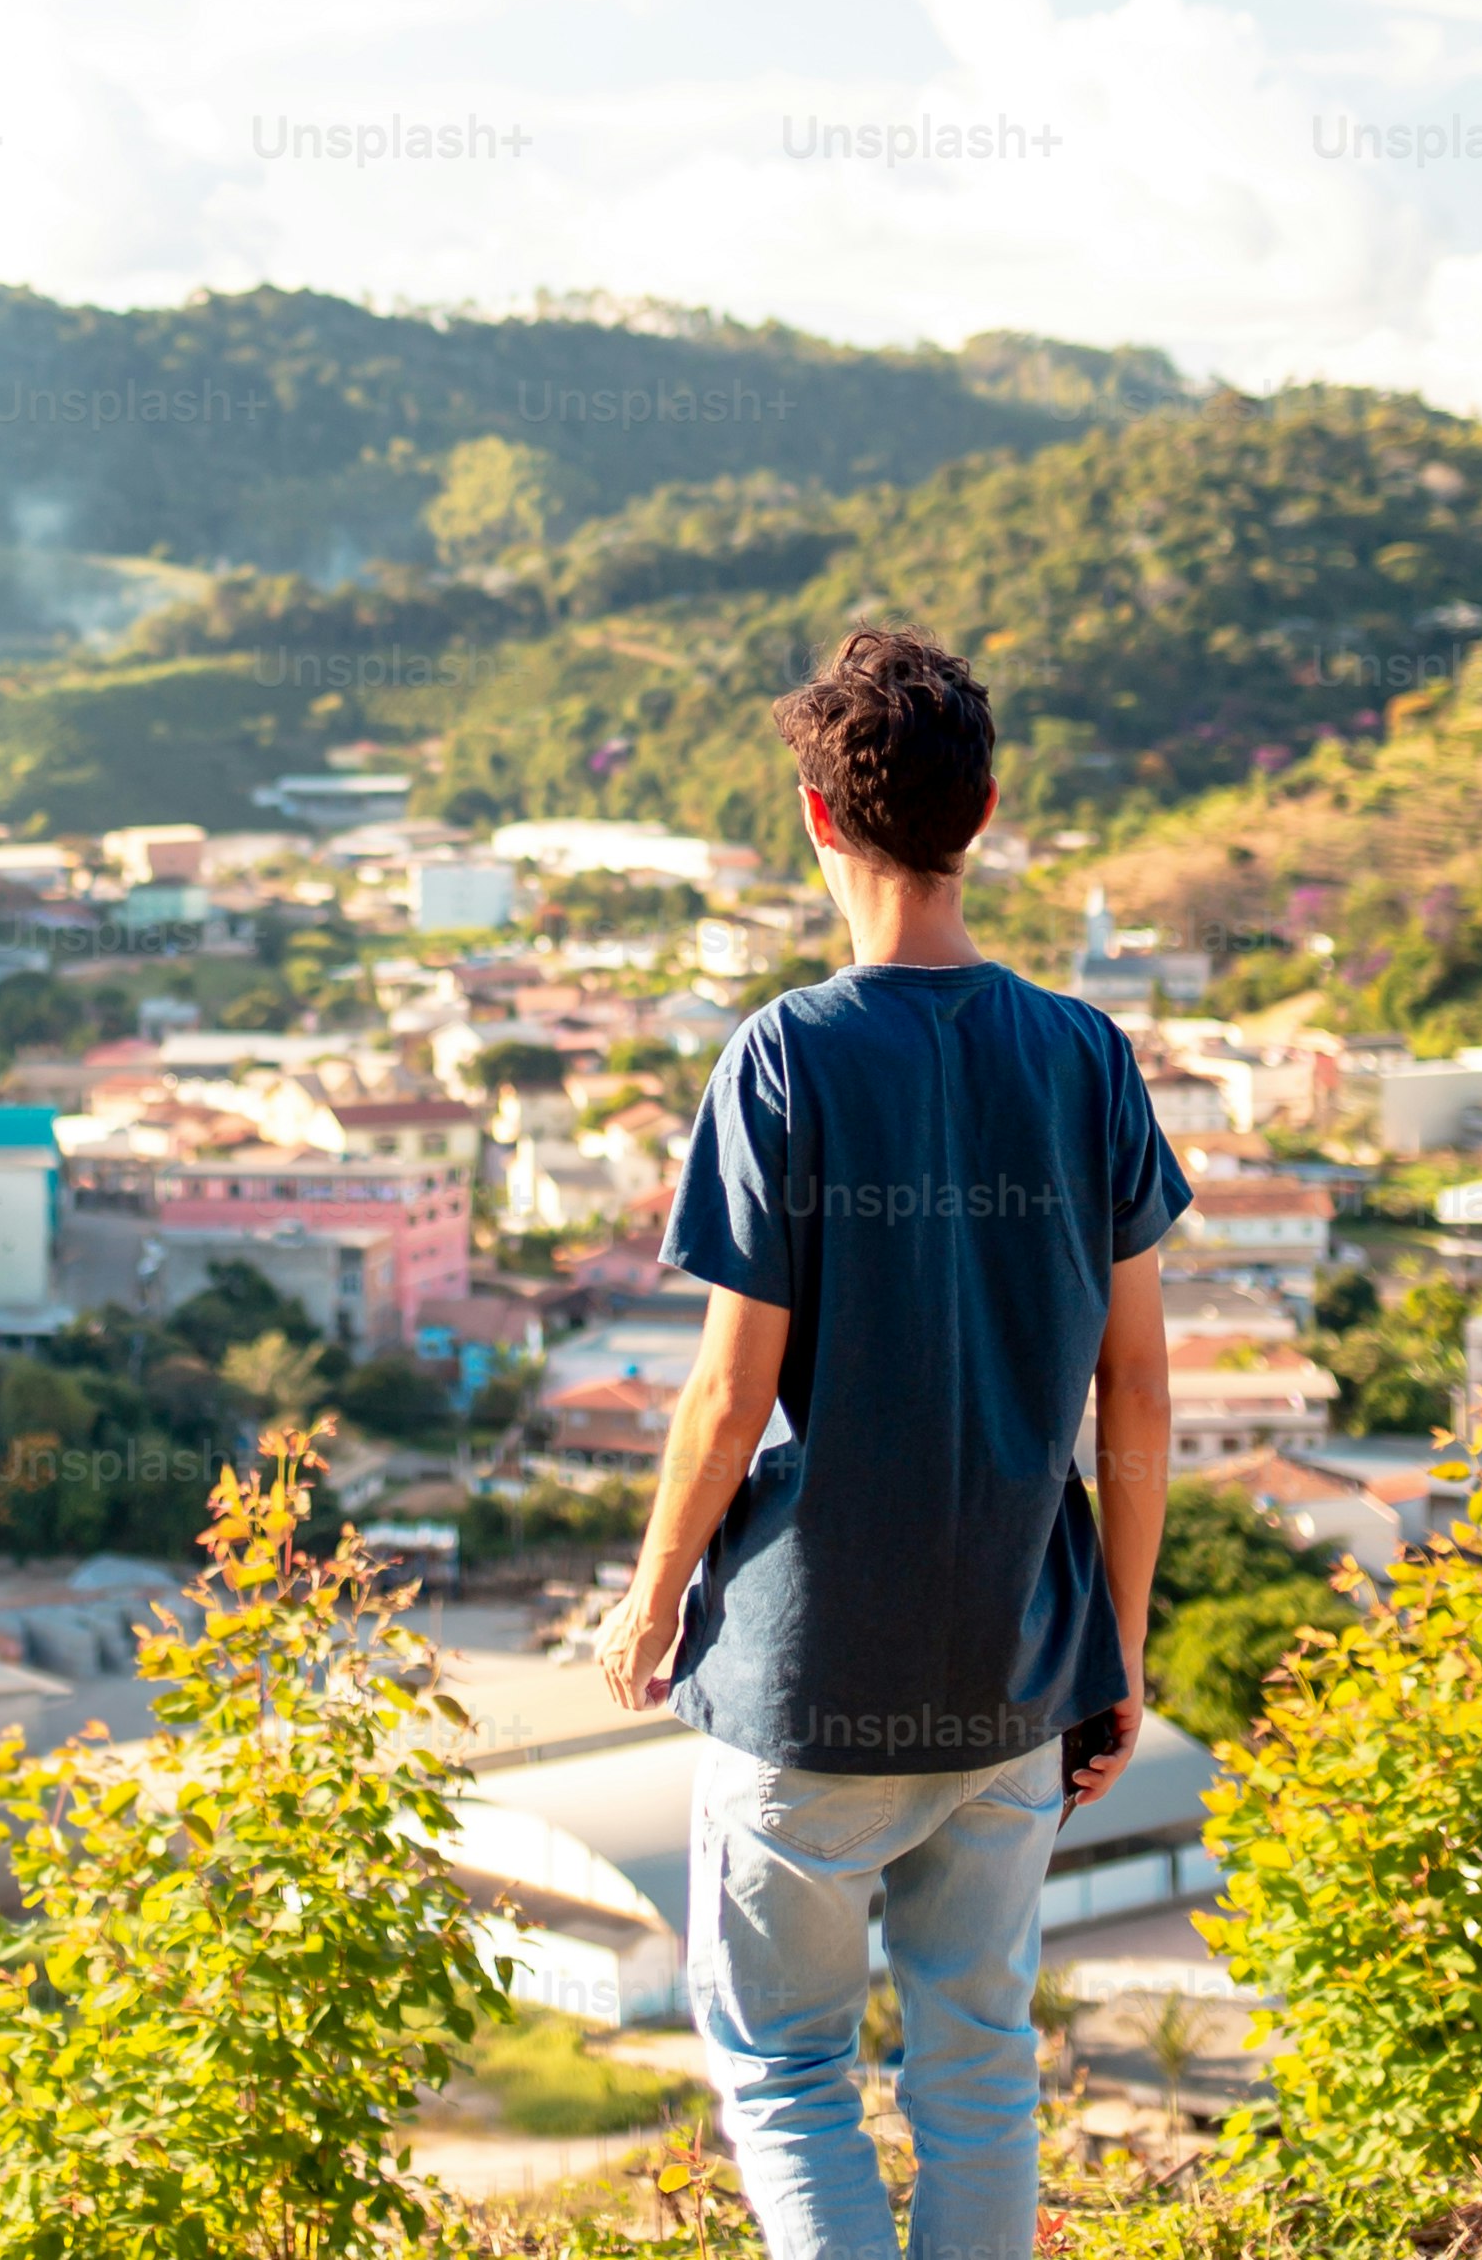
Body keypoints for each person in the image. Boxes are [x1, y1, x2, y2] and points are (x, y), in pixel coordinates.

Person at [600, 626, 1186, 2260]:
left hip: (809, 1679)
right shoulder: (1082, 1056)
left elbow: (728, 1396)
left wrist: (649, 1606)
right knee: (982, 2065)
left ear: (815, 819)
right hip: (1017, 1669)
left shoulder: (787, 1057)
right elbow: (1136, 1394)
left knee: (787, 2066)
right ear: (985, 811)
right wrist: (1116, 1649)